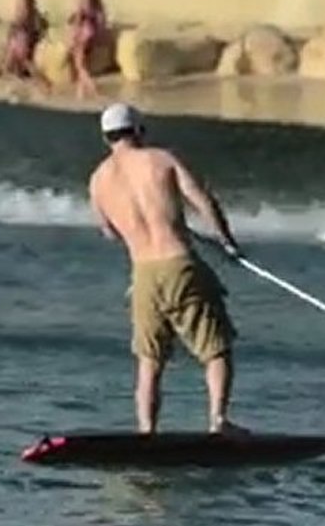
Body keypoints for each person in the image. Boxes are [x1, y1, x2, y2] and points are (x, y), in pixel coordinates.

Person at [88, 102, 249, 435]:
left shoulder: (98, 180)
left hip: (143, 275)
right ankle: (218, 422)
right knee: (216, 349)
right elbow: (202, 200)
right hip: (180, 264)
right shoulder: (161, 159)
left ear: (107, 139)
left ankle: (147, 432)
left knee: (150, 361)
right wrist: (227, 241)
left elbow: (109, 232)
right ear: (139, 131)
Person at [3, 0, 50, 91]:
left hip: (22, 33)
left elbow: (22, 17)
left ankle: (44, 83)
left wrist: (13, 26)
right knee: (10, 62)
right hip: (18, 33)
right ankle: (18, 86)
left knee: (25, 61)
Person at [68, 0, 107, 100]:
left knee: (80, 64)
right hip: (93, 30)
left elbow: (80, 13)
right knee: (84, 62)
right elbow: (101, 15)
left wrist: (74, 32)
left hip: (83, 31)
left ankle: (94, 90)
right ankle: (82, 94)